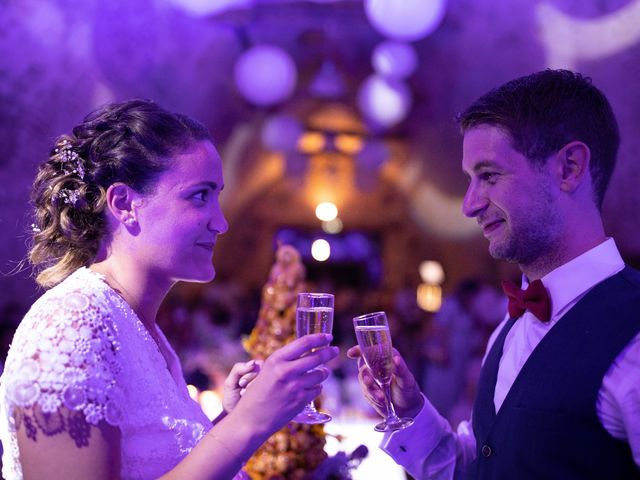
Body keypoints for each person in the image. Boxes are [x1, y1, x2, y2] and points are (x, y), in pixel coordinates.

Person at [0, 99, 338, 480]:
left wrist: (226, 419)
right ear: (125, 204)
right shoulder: (69, 328)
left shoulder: (141, 329)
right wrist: (247, 423)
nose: (221, 223)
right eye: (199, 196)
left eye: (218, 197)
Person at [348, 69, 640, 479]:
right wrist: (410, 411)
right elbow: (484, 466)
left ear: (569, 168)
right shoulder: (510, 324)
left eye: (488, 176)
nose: (469, 205)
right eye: (472, 180)